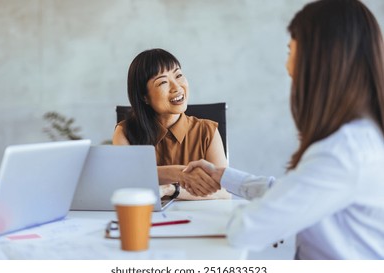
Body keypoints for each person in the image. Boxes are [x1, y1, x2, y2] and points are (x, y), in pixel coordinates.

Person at [182, 0, 384, 259]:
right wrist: (224, 176)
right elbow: (294, 193)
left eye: (291, 51)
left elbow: (246, 229)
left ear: (319, 58)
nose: (288, 68)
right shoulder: (361, 137)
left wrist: (239, 212)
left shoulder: (342, 152)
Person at [112, 48, 230, 200]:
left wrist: (172, 189)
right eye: (162, 82)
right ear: (144, 97)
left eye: (179, 75)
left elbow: (224, 191)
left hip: (195, 220)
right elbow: (125, 179)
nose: (177, 87)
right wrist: (179, 173)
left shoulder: (207, 131)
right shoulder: (124, 132)